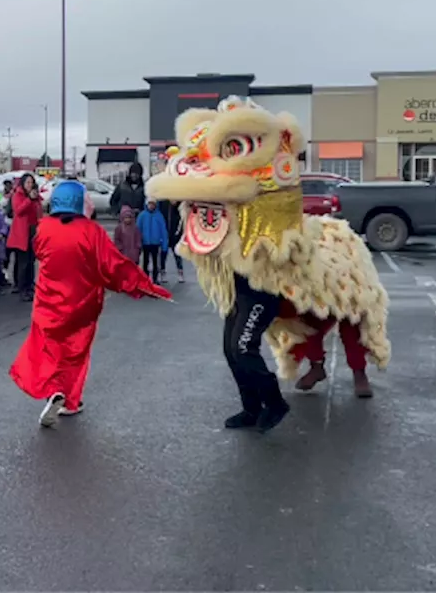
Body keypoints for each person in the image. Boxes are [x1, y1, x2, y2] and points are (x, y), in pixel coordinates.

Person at [144, 97, 391, 431]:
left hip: (263, 285)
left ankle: (274, 403)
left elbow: (272, 214)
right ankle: (250, 408)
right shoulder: (224, 193)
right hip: (237, 284)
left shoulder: (271, 186)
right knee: (231, 349)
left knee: (244, 347)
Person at [9, 180, 170, 428]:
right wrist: (145, 286)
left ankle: (53, 389)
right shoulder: (91, 231)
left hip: (49, 304)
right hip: (82, 304)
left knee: (45, 348)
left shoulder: (45, 228)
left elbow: (40, 253)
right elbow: (113, 265)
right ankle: (71, 400)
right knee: (76, 354)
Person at [6, 173, 42, 301]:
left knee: (31, 261)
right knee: (23, 262)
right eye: (27, 182)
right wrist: (29, 200)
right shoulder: (18, 195)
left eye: (31, 182)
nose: (30, 185)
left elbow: (39, 211)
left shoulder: (35, 196)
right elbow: (19, 211)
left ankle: (30, 285)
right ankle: (22, 288)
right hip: (21, 233)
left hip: (33, 230)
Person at [137, 199, 169, 283]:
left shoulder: (159, 216)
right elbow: (138, 230)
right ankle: (145, 279)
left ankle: (155, 278)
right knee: (145, 261)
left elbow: (163, 231)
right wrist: (138, 242)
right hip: (145, 243)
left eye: (153, 204)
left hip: (155, 243)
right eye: (150, 204)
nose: (151, 206)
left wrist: (164, 245)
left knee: (155, 262)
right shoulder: (142, 215)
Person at [158, 199, 185, 284]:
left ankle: (180, 272)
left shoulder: (179, 204)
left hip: (175, 233)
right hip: (164, 233)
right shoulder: (163, 202)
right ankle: (162, 273)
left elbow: (182, 218)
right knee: (163, 254)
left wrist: (180, 232)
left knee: (177, 254)